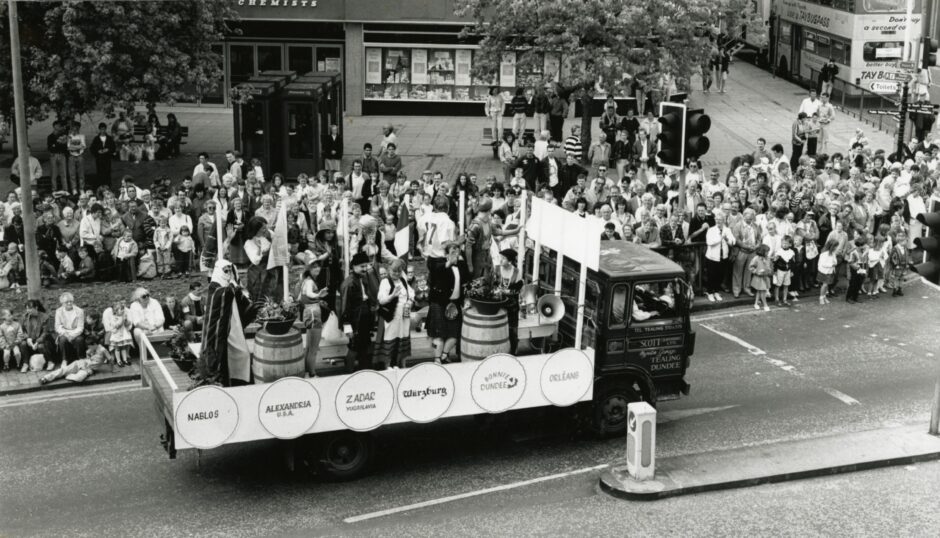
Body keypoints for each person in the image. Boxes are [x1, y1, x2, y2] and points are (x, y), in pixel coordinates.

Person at [193, 260, 257, 387]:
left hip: (233, 328)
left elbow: (242, 300)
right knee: (220, 360)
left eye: (230, 271)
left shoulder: (230, 286)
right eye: (225, 271)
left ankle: (241, 382)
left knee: (243, 355)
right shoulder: (214, 287)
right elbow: (220, 296)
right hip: (218, 332)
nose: (228, 274)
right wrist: (232, 288)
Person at [427, 242, 467, 364]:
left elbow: (465, 281)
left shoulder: (461, 265)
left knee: (454, 334)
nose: (456, 254)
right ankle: (437, 359)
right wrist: (449, 262)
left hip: (455, 304)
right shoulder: (438, 263)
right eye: (452, 252)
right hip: (439, 303)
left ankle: (444, 355)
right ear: (446, 254)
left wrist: (466, 300)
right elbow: (436, 271)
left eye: (457, 252)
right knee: (438, 335)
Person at [338, 252, 378, 372]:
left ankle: (363, 371)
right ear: (353, 266)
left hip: (365, 317)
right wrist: (347, 325)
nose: (365, 269)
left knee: (365, 345)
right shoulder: (348, 283)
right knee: (354, 346)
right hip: (355, 319)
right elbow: (344, 306)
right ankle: (348, 373)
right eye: (362, 266)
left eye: (366, 266)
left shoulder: (364, 278)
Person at [375, 258, 415, 369]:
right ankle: (388, 365)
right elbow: (381, 300)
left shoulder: (403, 280)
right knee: (391, 337)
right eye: (394, 271)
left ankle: (400, 363)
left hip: (404, 314)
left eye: (399, 271)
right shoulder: (385, 282)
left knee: (403, 336)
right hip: (392, 315)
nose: (396, 273)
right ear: (389, 270)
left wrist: (409, 302)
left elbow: (411, 293)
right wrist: (392, 296)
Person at [298, 261, 329, 377]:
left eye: (318, 266)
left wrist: (318, 300)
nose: (318, 269)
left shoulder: (305, 281)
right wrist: (318, 295)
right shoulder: (310, 282)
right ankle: (312, 373)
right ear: (309, 269)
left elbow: (300, 297)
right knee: (314, 348)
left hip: (308, 312)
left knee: (309, 347)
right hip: (314, 314)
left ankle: (307, 372)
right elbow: (310, 294)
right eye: (314, 267)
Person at [40, 335, 110, 385]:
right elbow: (87, 359)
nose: (88, 348)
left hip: (88, 370)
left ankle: (67, 375)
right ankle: (46, 378)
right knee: (63, 370)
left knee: (79, 378)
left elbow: (110, 359)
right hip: (80, 363)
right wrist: (87, 356)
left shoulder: (103, 350)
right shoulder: (90, 350)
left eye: (89, 346)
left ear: (94, 344)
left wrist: (113, 369)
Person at [244, 216, 281, 302]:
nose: (265, 230)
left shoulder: (269, 234)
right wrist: (260, 250)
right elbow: (255, 261)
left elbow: (278, 243)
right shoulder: (249, 243)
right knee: (262, 295)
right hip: (258, 272)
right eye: (263, 228)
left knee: (276, 292)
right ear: (255, 229)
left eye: (266, 227)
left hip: (273, 267)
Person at [494, 249, 524, 354]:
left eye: (503, 258)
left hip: (512, 305)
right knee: (498, 328)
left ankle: (512, 352)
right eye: (500, 258)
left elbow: (518, 288)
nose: (500, 260)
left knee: (512, 330)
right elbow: (492, 284)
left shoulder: (516, 272)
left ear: (509, 260)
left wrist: (506, 291)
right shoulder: (496, 269)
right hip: (499, 304)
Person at [704, 214, 735, 302]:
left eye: (720, 219)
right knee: (711, 276)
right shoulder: (711, 230)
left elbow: (733, 242)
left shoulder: (727, 230)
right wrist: (720, 238)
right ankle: (710, 293)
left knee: (720, 276)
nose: (718, 221)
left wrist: (727, 239)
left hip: (723, 257)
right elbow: (709, 242)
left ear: (723, 220)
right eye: (716, 219)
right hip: (712, 257)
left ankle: (716, 292)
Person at [54, 292, 85, 368]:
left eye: (71, 301)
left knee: (79, 340)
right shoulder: (59, 311)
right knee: (62, 340)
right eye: (66, 302)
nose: (69, 303)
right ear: (62, 303)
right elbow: (57, 326)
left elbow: (80, 327)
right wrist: (65, 333)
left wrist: (72, 335)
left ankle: (80, 359)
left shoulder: (79, 311)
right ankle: (64, 360)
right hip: (65, 332)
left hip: (75, 332)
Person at [21, 300, 53, 372]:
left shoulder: (45, 317)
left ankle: (50, 362)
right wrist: (27, 338)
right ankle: (25, 363)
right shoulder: (25, 317)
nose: (28, 310)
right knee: (23, 344)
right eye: (27, 308)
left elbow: (45, 333)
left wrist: (37, 342)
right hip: (31, 340)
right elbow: (23, 330)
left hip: (43, 340)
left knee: (40, 346)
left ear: (36, 308)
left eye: (30, 308)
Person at [103, 300, 133, 367]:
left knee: (123, 347)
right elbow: (116, 325)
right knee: (117, 348)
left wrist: (126, 321)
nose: (122, 311)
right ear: (116, 311)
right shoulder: (114, 318)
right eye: (121, 309)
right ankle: (119, 360)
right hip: (116, 335)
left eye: (123, 309)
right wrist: (121, 320)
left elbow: (128, 324)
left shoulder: (123, 316)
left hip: (123, 335)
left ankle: (125, 360)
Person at [89, 122, 116, 187]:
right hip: (99, 158)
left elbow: (113, 147)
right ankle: (100, 184)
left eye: (104, 129)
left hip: (107, 158)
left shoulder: (109, 138)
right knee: (100, 171)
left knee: (107, 171)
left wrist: (108, 150)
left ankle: (108, 184)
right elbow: (92, 148)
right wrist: (98, 151)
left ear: (105, 129)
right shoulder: (96, 138)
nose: (102, 131)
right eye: (101, 129)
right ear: (99, 129)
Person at [773, 235, 796, 306]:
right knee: (778, 285)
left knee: (786, 285)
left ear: (790, 244)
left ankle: (784, 299)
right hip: (780, 270)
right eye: (783, 243)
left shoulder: (791, 252)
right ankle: (776, 299)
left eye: (786, 243)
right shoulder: (779, 252)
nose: (784, 245)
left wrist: (792, 271)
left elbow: (792, 263)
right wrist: (775, 271)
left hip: (788, 271)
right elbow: (775, 262)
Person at [748, 244, 773, 312]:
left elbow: (769, 266)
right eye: (767, 252)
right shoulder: (756, 258)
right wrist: (756, 271)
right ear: (762, 251)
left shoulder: (768, 258)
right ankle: (765, 305)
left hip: (765, 277)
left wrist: (769, 271)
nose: (768, 253)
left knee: (759, 291)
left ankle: (756, 304)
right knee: (763, 291)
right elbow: (750, 267)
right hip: (759, 278)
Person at [66, 121, 87, 194]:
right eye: (73, 128)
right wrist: (78, 147)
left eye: (76, 128)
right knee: (72, 174)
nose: (74, 130)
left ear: (78, 129)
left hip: (80, 156)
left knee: (81, 173)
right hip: (72, 156)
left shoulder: (82, 136)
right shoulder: (69, 136)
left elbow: (83, 146)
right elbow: (69, 147)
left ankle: (81, 188)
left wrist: (74, 147)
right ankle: (74, 188)